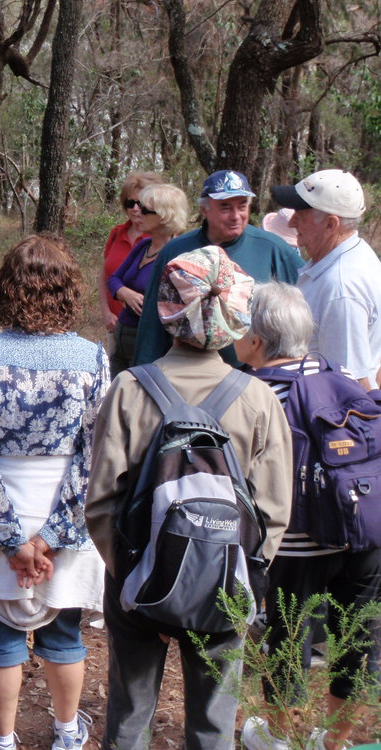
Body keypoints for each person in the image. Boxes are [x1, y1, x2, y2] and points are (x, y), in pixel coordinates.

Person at [86, 246, 293, 750]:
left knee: (130, 716)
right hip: (226, 581)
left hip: (137, 583)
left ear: (166, 309)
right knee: (213, 722)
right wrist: (242, 580)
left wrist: (138, 584)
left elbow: (101, 503)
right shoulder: (258, 399)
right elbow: (273, 513)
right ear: (237, 321)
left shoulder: (130, 389)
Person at [0, 234, 109, 750]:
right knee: (64, 636)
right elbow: (93, 455)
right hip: (66, 505)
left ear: (7, 291)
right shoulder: (92, 358)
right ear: (67, 290)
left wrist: (11, 540)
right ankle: (66, 733)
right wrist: (54, 536)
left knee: (0, 639)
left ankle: (3, 740)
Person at [235, 281, 381, 750]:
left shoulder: (255, 393)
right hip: (365, 530)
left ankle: (282, 738)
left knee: (288, 641)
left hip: (297, 543)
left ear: (256, 341)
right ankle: (332, 743)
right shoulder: (340, 376)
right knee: (357, 643)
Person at [133, 169, 302, 367]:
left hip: (252, 377)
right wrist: (143, 374)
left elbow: (308, 301)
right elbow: (153, 321)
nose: (236, 216)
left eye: (242, 206)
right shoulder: (177, 251)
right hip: (187, 372)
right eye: (225, 207)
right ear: (205, 209)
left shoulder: (272, 248)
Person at [271, 169, 381, 389]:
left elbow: (348, 385)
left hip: (326, 418)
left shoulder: (341, 287)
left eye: (300, 215)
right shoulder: (351, 257)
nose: (291, 222)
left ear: (331, 224)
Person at [106, 182, 190, 375]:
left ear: (164, 216)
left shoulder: (178, 255)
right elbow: (113, 279)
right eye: (135, 206)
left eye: (145, 209)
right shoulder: (143, 246)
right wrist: (124, 293)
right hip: (122, 335)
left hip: (149, 344)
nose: (137, 212)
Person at [100, 172, 162, 349]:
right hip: (114, 326)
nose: (135, 209)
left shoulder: (162, 241)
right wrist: (106, 314)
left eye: (141, 203)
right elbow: (105, 275)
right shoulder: (116, 233)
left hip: (145, 333)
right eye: (130, 203)